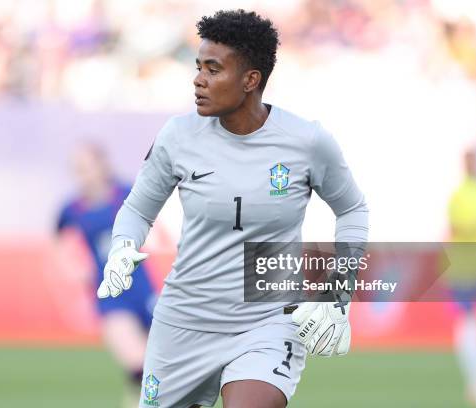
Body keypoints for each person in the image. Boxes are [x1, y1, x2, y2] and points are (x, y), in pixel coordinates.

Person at [97, 10, 369, 408]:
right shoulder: (178, 136)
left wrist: (337, 291)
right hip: (184, 322)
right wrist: (122, 246)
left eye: (213, 68)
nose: (198, 79)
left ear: (250, 80)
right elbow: (137, 209)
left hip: (268, 319)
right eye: (198, 66)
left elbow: (353, 210)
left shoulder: (306, 141)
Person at [55, 143, 157, 407]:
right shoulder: (72, 209)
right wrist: (72, 270)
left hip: (143, 290)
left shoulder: (126, 193)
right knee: (138, 366)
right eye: (77, 170)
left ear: (103, 166)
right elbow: (58, 243)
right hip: (111, 296)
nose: (82, 175)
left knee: (162, 368)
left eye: (87, 168)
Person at [447, 148, 476, 407]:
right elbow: (457, 230)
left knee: (475, 324)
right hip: (466, 271)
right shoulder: (460, 196)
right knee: (468, 326)